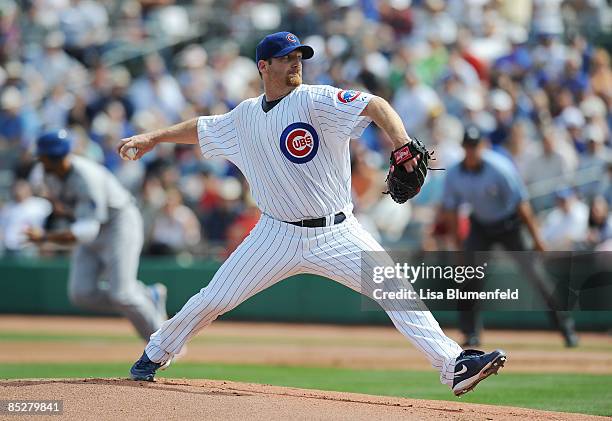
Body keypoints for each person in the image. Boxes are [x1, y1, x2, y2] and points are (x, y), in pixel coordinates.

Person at [121, 32, 506, 396]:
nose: (295, 64)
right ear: (262, 67)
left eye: (298, 57)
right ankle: (154, 354)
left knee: (396, 291)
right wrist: (152, 138)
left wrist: (402, 142)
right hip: (274, 235)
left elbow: (375, 105)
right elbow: (203, 128)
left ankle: (453, 364)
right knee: (214, 299)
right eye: (285, 59)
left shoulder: (315, 99)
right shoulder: (244, 118)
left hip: (338, 232)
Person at [441, 126, 578, 348]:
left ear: (482, 146)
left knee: (536, 275)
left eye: (475, 146)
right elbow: (451, 211)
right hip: (481, 225)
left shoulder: (499, 167)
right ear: (463, 148)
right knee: (469, 276)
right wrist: (459, 247)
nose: (471, 151)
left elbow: (521, 205)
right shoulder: (455, 174)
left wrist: (537, 238)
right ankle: (470, 333)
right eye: (468, 147)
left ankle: (566, 328)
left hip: (509, 224)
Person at [25, 129, 167, 341]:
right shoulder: (49, 174)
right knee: (82, 294)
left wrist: (46, 238)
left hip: (118, 222)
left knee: (123, 294)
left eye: (44, 157)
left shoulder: (86, 177)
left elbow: (86, 231)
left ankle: (162, 341)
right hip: (90, 223)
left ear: (56, 157)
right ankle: (148, 296)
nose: (41, 161)